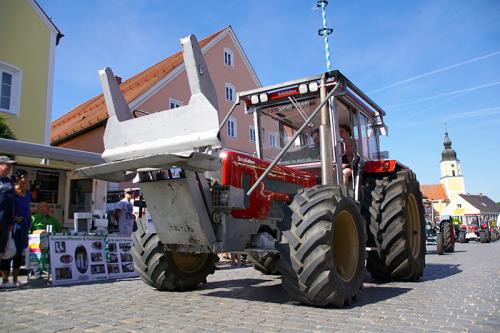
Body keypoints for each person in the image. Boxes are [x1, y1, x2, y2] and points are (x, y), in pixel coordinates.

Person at [1, 170, 31, 287]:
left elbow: (27, 207)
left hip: (24, 226)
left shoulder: (28, 193)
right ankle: (4, 280)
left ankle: (15, 280)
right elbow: (7, 207)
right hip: (12, 226)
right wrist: (13, 218)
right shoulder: (12, 192)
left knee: (19, 253)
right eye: (26, 178)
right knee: (8, 252)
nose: (28, 181)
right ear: (19, 179)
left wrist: (29, 218)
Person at [0, 156, 16, 288]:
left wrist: (11, 221)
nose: (9, 167)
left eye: (11, 165)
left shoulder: (9, 182)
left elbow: (11, 204)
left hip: (6, 222)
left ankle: (5, 281)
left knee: (4, 251)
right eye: (7, 165)